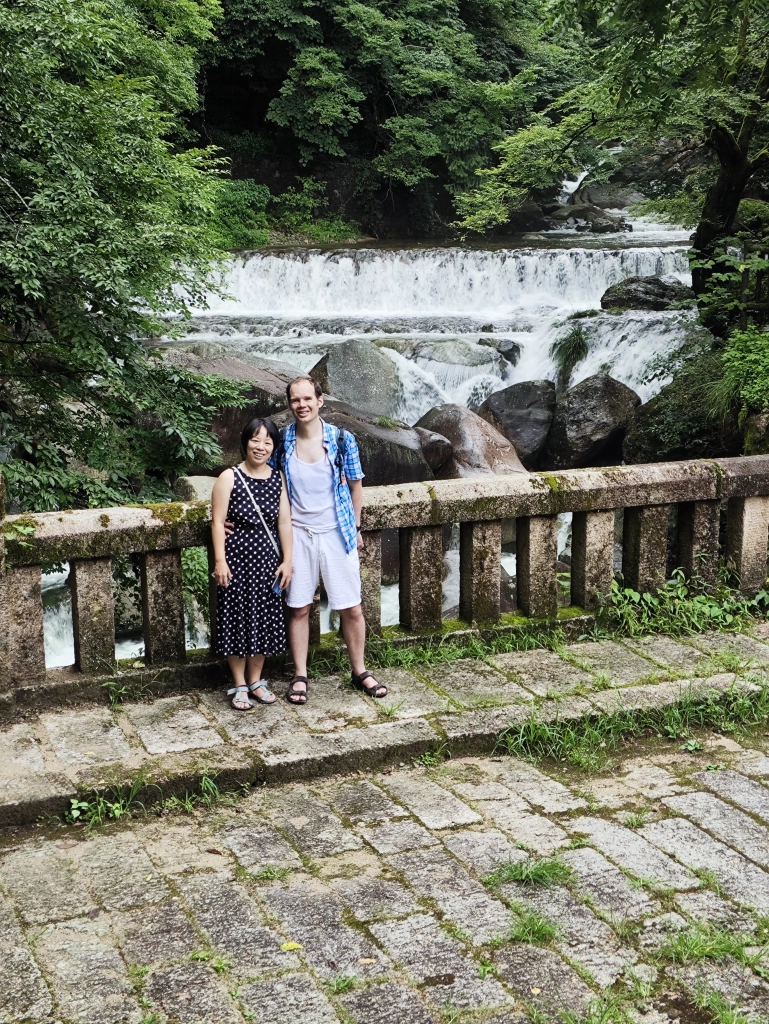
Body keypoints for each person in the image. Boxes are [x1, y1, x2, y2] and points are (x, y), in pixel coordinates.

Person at [276, 375, 387, 705]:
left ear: (320, 401)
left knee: (351, 607)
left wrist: (355, 527)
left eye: (308, 399)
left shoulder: (341, 440)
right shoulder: (282, 442)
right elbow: (266, 480)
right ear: (290, 404)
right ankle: (300, 675)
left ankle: (360, 670)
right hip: (298, 535)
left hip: (336, 533)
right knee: (298, 608)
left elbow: (356, 485)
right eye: (296, 400)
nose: (302, 405)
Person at [211, 418, 292, 711]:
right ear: (245, 442)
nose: (261, 447)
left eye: (267, 441)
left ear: (274, 446)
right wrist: (220, 560)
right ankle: (239, 683)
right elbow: (218, 523)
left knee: (265, 619)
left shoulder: (277, 479)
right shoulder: (229, 477)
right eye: (255, 440)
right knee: (236, 618)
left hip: (267, 562)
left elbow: (284, 522)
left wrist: (288, 560)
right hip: (236, 561)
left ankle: (256, 680)